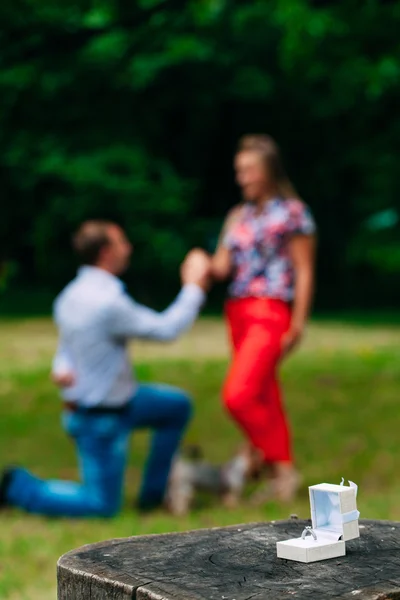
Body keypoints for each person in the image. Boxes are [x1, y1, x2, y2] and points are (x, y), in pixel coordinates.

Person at [0, 220, 211, 517]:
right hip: (99, 418)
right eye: (121, 242)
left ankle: (153, 494)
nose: (128, 248)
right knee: (100, 505)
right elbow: (166, 329)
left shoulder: (69, 296)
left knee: (176, 406)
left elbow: (67, 347)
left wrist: (61, 366)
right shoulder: (107, 302)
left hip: (120, 401)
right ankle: (16, 486)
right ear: (105, 252)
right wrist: (193, 286)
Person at [211, 134, 316, 502]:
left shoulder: (293, 213)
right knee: (264, 394)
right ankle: (277, 473)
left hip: (271, 309)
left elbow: (304, 270)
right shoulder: (237, 215)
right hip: (236, 311)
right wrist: (198, 261)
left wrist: (298, 322)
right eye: (239, 171)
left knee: (237, 396)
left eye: (250, 170)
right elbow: (221, 266)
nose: (243, 178)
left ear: (269, 170)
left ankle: (277, 463)